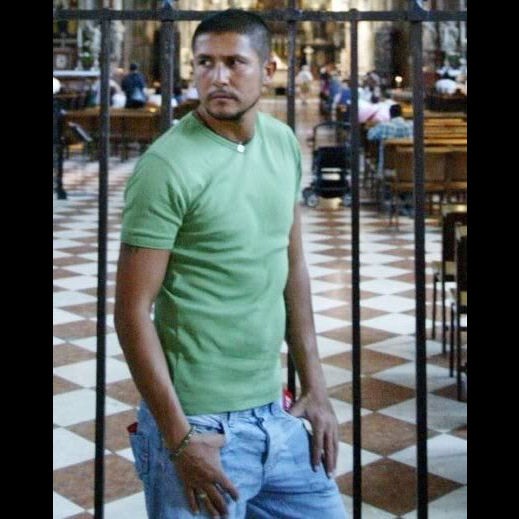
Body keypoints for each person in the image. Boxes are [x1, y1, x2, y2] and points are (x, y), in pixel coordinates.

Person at [115, 8, 346, 519]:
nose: (217, 77)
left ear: (268, 69)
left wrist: (316, 387)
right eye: (205, 63)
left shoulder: (282, 143)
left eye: (234, 63)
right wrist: (179, 438)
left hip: (275, 411)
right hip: (200, 423)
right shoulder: (166, 167)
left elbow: (293, 267)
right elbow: (131, 313)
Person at [367, 103, 413, 213]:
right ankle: (406, 200)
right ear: (402, 114)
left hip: (388, 168)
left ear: (390, 114)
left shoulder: (384, 126)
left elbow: (370, 135)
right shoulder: (411, 126)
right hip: (409, 169)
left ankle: (389, 199)